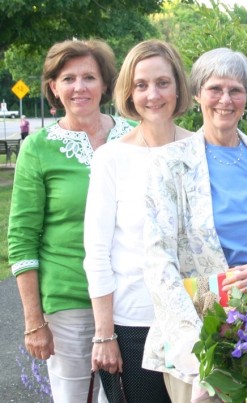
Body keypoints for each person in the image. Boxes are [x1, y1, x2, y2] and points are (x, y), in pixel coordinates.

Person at [141, 47, 247, 403]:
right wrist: (194, 346)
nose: (225, 100)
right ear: (197, 93)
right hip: (202, 310)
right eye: (215, 89)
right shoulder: (169, 164)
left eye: (236, 90)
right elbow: (157, 259)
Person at [8, 39, 134, 402]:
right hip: (69, 302)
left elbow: (187, 151)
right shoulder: (39, 148)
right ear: (53, 87)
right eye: (68, 78)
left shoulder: (135, 136)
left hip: (132, 298)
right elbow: (21, 237)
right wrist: (35, 322)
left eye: (89, 77)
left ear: (105, 84)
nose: (79, 87)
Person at [83, 39, 192, 403]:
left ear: (178, 86)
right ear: (129, 92)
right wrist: (104, 334)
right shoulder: (111, 158)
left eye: (163, 82)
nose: (153, 94)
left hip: (196, 321)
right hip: (133, 325)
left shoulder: (203, 150)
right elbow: (97, 252)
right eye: (141, 85)